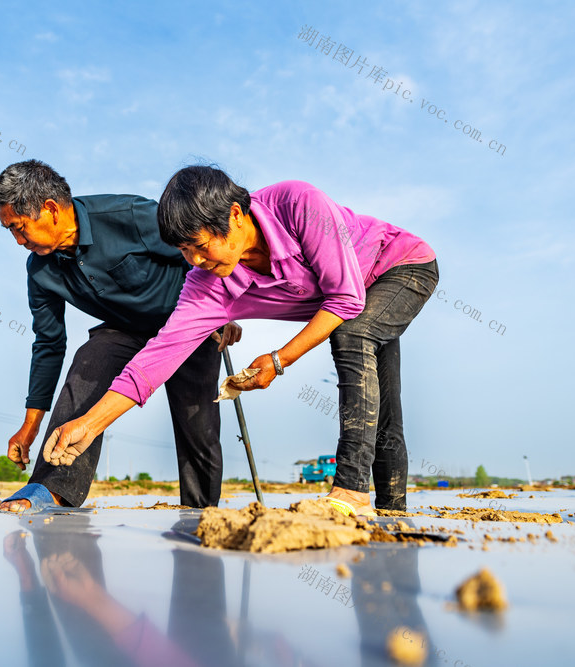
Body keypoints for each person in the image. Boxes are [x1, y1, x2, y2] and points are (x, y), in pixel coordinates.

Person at [39, 166, 438, 516]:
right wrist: (89, 425)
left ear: (234, 214)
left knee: (352, 335)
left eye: (199, 245)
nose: (195, 260)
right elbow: (158, 356)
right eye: (183, 251)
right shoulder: (207, 282)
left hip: (400, 266)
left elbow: (346, 298)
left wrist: (279, 360)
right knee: (380, 395)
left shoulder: (297, 203)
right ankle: (392, 509)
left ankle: (350, 491)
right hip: (360, 301)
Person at [0, 161, 240, 513]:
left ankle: (200, 512)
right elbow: (48, 343)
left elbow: (199, 251)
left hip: (186, 321)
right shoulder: (40, 269)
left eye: (19, 228)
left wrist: (222, 307)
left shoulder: (130, 215)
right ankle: (51, 489)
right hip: (123, 329)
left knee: (197, 423)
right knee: (89, 360)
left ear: (49, 209)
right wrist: (30, 425)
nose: (18, 241)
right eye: (10, 232)